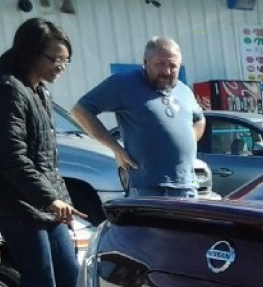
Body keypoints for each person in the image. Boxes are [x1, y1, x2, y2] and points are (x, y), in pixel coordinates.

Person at [0, 17, 82, 287]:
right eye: (55, 59)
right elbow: (11, 156)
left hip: (50, 207)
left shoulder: (40, 91)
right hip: (21, 208)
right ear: (30, 52)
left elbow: (47, 159)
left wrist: (64, 201)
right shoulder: (5, 89)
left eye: (66, 60)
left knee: (71, 281)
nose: (60, 67)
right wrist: (49, 197)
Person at [71, 36, 205, 197]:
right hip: (147, 188)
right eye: (160, 64)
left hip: (186, 187)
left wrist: (186, 141)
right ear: (145, 61)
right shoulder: (123, 84)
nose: (167, 71)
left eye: (173, 66)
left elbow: (199, 120)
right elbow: (81, 111)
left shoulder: (184, 91)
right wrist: (116, 148)